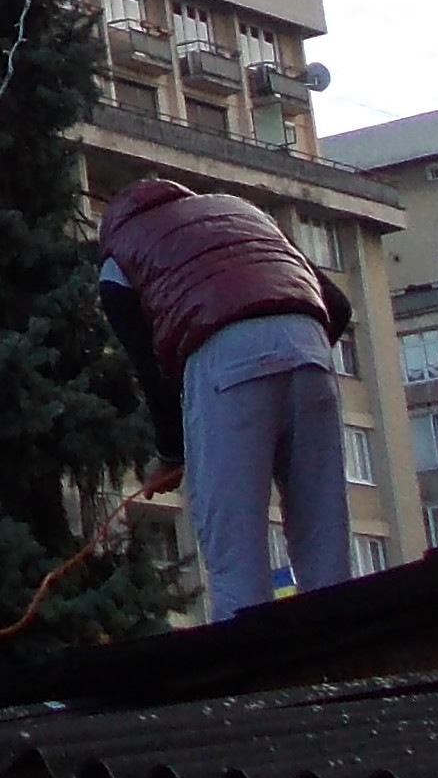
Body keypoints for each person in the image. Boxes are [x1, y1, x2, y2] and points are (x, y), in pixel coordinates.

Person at [93, 175, 355, 620]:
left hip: (222, 357)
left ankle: (255, 682)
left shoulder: (119, 261)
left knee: (235, 550)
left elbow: (152, 369)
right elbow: (340, 306)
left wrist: (171, 453)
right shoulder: (243, 214)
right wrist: (291, 358)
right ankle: (347, 666)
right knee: (323, 536)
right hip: (310, 350)